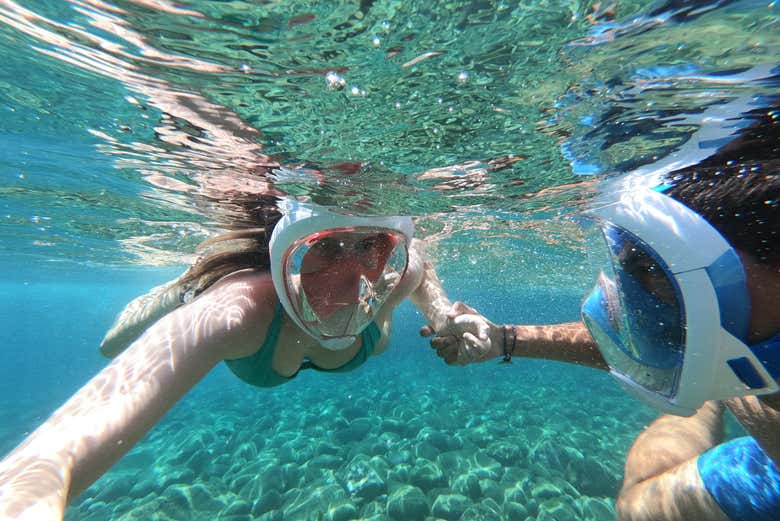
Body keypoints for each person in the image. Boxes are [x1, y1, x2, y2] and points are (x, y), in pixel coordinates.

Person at [0, 197, 481, 520]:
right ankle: (186, 285)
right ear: (288, 253)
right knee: (114, 343)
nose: (353, 280)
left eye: (370, 247)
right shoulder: (240, 313)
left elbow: (419, 267)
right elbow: (55, 451)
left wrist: (441, 316)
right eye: (326, 248)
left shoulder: (398, 274)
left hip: (306, 340)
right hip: (236, 309)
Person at [426, 104, 780, 521]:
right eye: (678, 324)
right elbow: (667, 344)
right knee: (638, 504)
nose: (683, 343)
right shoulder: (742, 334)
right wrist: (505, 339)